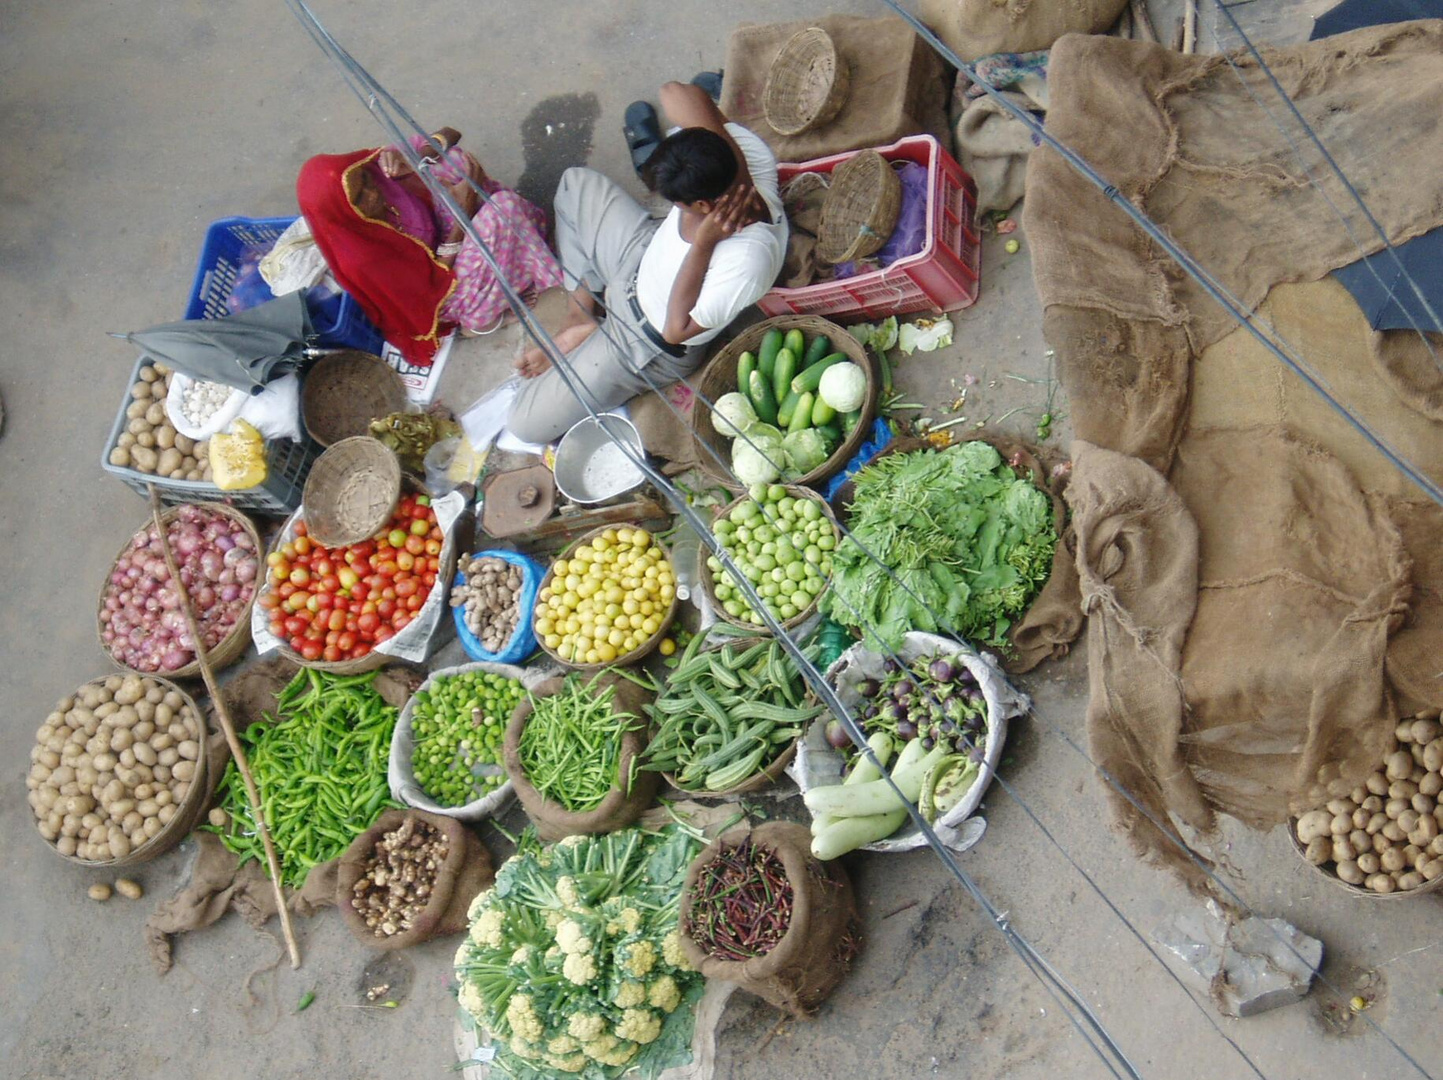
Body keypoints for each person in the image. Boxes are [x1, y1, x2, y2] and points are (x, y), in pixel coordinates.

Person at [506, 82, 788, 443]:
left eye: (678, 204)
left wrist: (701, 246)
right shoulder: (736, 159)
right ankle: (581, 316)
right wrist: (722, 139)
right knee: (574, 185)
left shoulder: (748, 259)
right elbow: (674, 92)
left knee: (522, 424)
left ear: (703, 206)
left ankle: (597, 330)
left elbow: (675, 329)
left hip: (644, 342)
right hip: (638, 257)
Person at [296, 129, 561, 366]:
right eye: (359, 198)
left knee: (449, 162)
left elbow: (450, 134)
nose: (372, 193)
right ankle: (482, 316)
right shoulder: (362, 258)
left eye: (365, 180)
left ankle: (515, 246)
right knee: (504, 209)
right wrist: (463, 216)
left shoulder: (380, 170)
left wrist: (415, 157)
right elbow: (431, 292)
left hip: (440, 238)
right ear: (343, 213)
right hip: (441, 288)